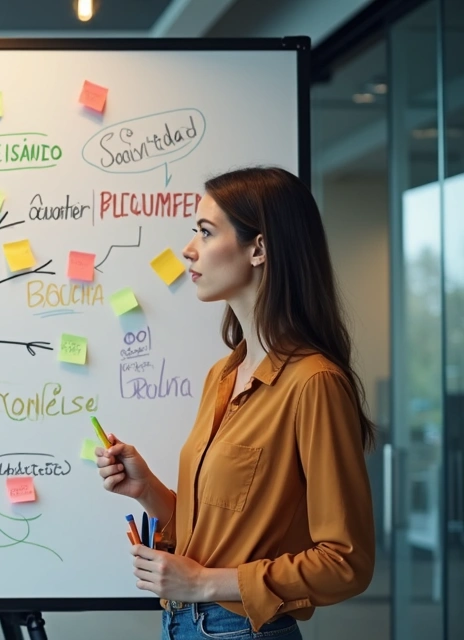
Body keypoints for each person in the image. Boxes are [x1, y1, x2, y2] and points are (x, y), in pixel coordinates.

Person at [96, 166, 375, 639]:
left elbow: (346, 562)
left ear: (259, 249)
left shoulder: (314, 383)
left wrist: (204, 583)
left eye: (205, 232)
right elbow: (224, 532)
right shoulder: (222, 374)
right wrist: (149, 491)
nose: (188, 249)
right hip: (182, 624)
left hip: (242, 630)